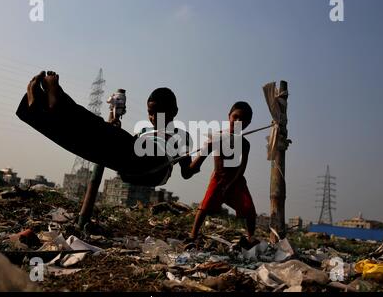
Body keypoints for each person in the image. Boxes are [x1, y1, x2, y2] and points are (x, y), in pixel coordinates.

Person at [16, 71, 198, 186]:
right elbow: (110, 134)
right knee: (85, 142)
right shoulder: (144, 131)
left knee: (110, 137)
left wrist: (206, 150)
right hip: (132, 166)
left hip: (154, 168)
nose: (153, 118)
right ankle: (38, 112)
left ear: (174, 111)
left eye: (160, 113)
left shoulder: (180, 135)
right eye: (151, 113)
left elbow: (187, 172)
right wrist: (113, 116)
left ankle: (59, 102)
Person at [187, 101, 258, 248]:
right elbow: (200, 158)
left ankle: (251, 237)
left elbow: (242, 167)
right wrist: (191, 164)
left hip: (236, 180)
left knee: (249, 209)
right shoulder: (217, 137)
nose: (238, 122)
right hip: (218, 179)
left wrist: (232, 184)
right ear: (229, 117)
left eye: (242, 120)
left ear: (248, 123)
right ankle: (193, 235)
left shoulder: (245, 144)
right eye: (235, 117)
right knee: (204, 206)